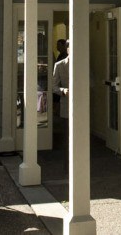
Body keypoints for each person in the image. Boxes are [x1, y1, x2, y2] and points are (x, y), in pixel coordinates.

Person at [52, 38, 71, 168]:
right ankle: (67, 165)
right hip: (66, 106)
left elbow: (91, 82)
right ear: (67, 48)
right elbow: (53, 87)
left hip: (81, 107)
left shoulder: (82, 64)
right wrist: (63, 91)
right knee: (67, 137)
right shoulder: (59, 65)